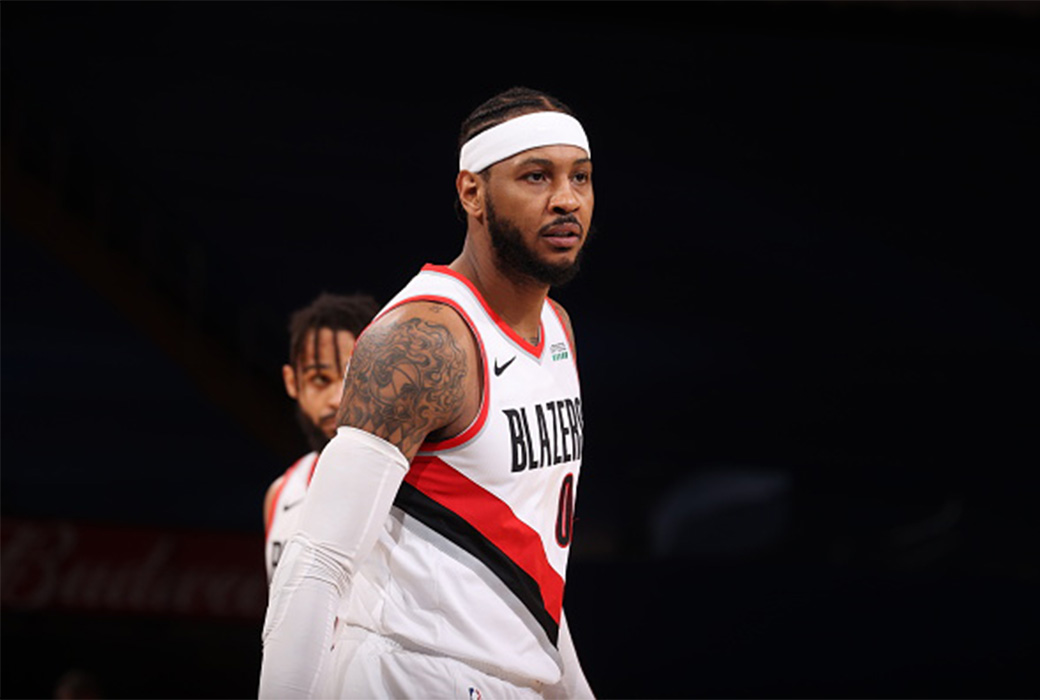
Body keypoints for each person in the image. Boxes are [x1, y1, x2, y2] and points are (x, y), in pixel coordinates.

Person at [259, 86, 596, 699]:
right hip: (409, 675)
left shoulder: (558, 330)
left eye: (580, 176)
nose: (566, 199)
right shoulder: (423, 341)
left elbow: (532, 566)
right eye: (536, 176)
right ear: (472, 192)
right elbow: (315, 566)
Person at [263, 292, 381, 581]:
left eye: (354, 377)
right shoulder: (280, 493)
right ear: (292, 382)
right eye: (320, 379)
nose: (338, 399)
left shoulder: (417, 485)